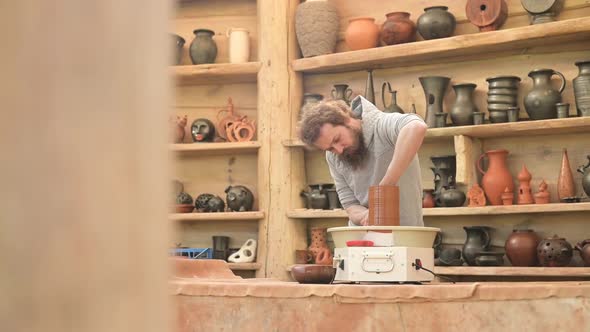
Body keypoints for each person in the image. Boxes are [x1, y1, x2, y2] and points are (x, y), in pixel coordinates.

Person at [298, 96, 427, 226]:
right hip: (363, 236)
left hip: (407, 233)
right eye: (330, 148)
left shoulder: (381, 125)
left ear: (346, 119)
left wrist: (386, 186)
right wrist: (365, 216)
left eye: (337, 139)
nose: (338, 150)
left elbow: (416, 127)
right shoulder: (333, 157)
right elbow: (351, 205)